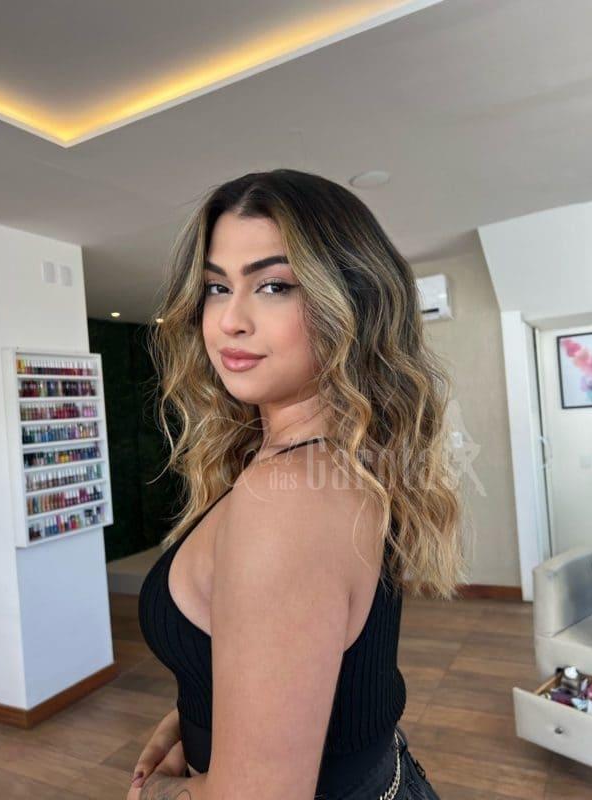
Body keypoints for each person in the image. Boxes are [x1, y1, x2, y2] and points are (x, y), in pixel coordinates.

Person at [130, 169, 469, 800]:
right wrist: (201, 713)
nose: (229, 321)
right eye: (216, 287)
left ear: (352, 302)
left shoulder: (289, 498)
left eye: (274, 286)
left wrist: (157, 796)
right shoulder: (332, 459)